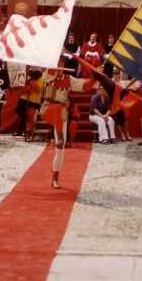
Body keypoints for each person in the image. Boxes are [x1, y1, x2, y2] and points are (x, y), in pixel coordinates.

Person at [41, 55, 95, 188]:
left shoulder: (68, 79)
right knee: (57, 107)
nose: (59, 67)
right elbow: (47, 76)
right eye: (57, 63)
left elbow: (84, 86)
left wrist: (95, 76)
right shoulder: (48, 75)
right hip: (48, 109)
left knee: (61, 149)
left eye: (61, 64)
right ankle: (59, 136)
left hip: (61, 114)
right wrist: (53, 64)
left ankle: (55, 178)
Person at [13, 66, 43, 141]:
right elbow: (22, 84)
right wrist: (26, 87)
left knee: (30, 116)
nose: (32, 67)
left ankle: (27, 133)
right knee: (19, 111)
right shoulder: (26, 74)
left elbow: (38, 89)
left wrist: (30, 81)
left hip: (34, 100)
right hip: (24, 97)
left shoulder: (40, 76)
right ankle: (21, 131)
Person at [111, 68, 132, 141]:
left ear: (119, 75)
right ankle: (122, 134)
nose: (115, 76)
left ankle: (127, 133)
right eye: (114, 74)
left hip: (120, 102)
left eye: (117, 74)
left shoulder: (122, 83)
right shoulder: (111, 82)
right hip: (113, 103)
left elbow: (124, 92)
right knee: (117, 119)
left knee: (124, 119)